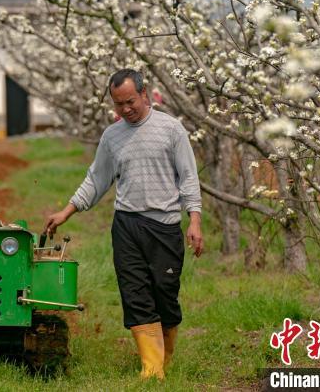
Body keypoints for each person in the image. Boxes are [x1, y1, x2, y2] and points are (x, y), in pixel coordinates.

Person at [44, 69, 204, 380]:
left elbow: (188, 179)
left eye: (130, 101)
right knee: (135, 294)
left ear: (145, 94)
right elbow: (96, 179)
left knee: (165, 296)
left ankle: (164, 360)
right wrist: (66, 212)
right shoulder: (112, 136)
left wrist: (194, 220)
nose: (126, 109)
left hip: (165, 226)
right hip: (127, 225)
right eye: (119, 104)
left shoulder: (172, 130)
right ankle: (152, 369)